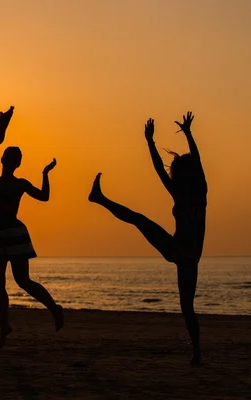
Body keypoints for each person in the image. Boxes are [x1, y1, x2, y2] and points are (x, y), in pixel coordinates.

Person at [88, 112, 206, 365]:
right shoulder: (189, 193)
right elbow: (162, 169)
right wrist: (153, 142)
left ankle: (197, 352)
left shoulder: (196, 192)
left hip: (183, 254)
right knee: (139, 219)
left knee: (187, 307)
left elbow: (195, 161)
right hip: (181, 252)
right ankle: (196, 352)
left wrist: (184, 134)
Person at [0, 147, 64, 349]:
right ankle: (4, 326)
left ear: (17, 163)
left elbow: (44, 196)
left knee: (22, 280)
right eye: (9, 158)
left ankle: (54, 308)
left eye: (14, 159)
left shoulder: (20, 184)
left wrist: (45, 174)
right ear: (3, 159)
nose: (10, 162)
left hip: (14, 233)